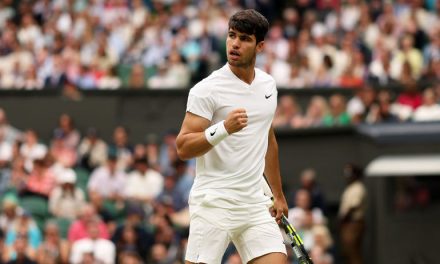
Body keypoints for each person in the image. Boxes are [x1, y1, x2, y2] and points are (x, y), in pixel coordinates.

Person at [176, 9, 288, 264]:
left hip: (254, 204)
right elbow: (183, 147)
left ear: (259, 46)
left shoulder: (268, 86)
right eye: (231, 36)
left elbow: (268, 141)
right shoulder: (206, 90)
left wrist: (278, 195)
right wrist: (223, 128)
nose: (235, 44)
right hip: (214, 203)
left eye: (245, 39)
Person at [339, 163, 367, 264]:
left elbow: (354, 205)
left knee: (352, 251)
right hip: (348, 223)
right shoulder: (350, 187)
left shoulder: (358, 187)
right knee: (347, 251)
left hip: (353, 222)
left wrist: (344, 218)